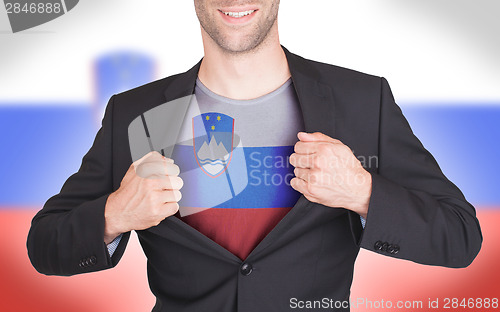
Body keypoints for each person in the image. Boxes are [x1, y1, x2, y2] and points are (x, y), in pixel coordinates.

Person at [27, 1, 482, 311]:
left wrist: (363, 191)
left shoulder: (362, 101)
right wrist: (114, 214)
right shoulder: (136, 113)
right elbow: (45, 245)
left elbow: (460, 236)